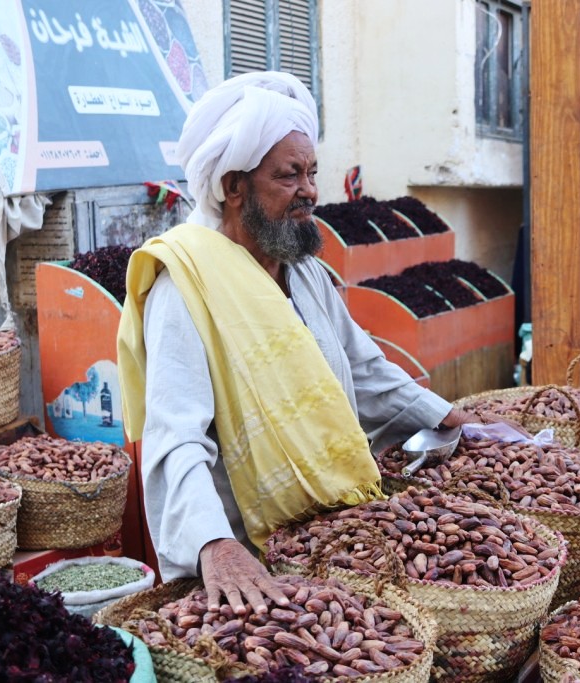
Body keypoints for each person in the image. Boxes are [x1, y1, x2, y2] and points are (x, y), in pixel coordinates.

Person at [117, 72, 490, 616]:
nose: (310, 191)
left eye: (312, 172)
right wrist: (212, 546)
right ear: (233, 186)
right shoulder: (185, 281)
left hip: (328, 538)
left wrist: (448, 417)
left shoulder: (305, 271)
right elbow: (175, 437)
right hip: (244, 556)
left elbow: (362, 369)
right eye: (289, 175)